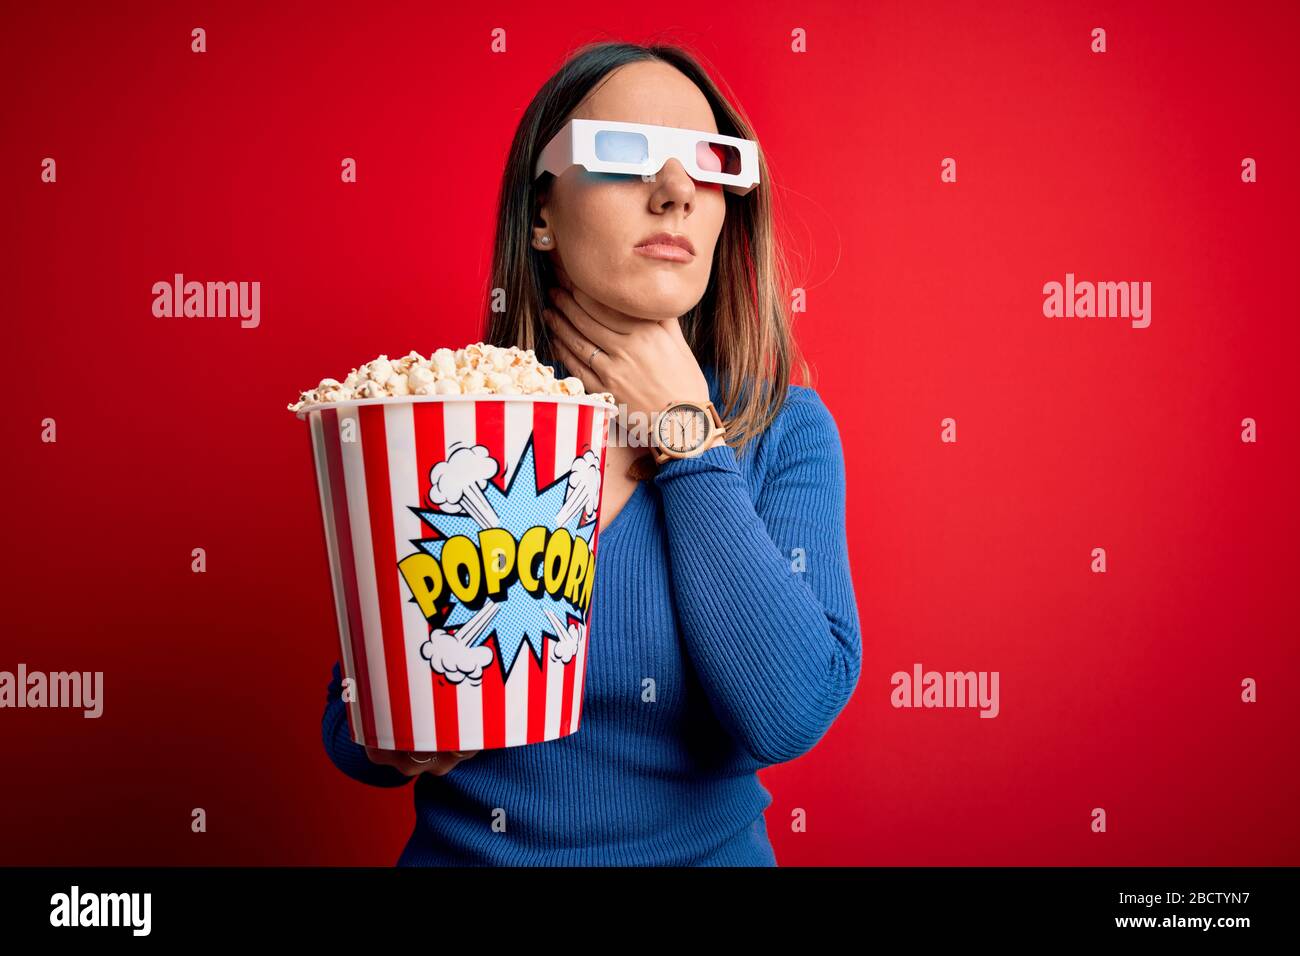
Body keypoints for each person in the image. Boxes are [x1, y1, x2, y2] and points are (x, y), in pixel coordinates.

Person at [322, 40, 863, 865]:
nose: (675, 192)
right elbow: (349, 715)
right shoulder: (447, 417)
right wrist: (391, 736)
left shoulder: (781, 431)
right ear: (541, 212)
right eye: (622, 153)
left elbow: (787, 711)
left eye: (707, 163)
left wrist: (686, 436)